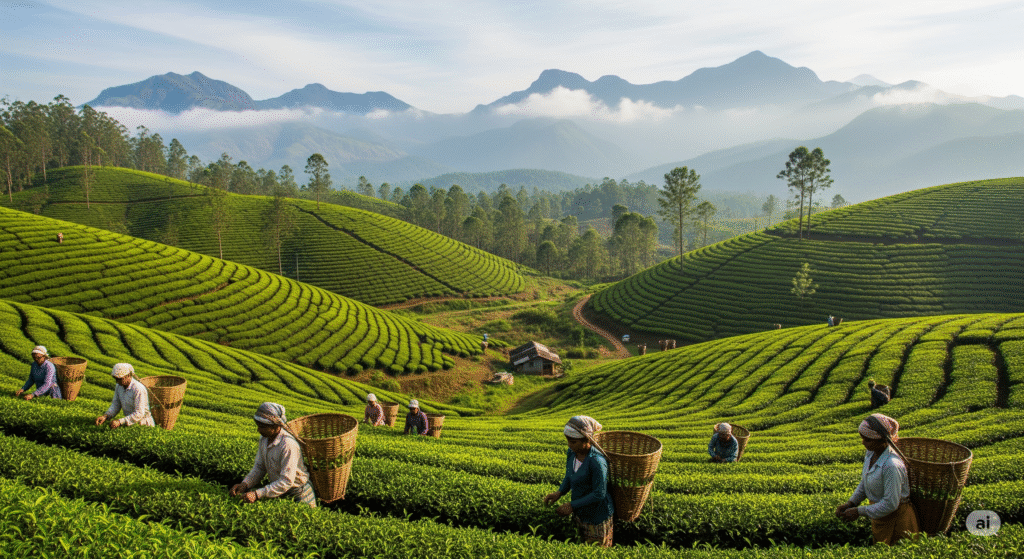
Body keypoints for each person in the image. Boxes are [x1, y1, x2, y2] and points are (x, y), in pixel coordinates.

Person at [835, 413, 919, 546]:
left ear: (882, 440)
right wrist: (851, 503)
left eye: (867, 439)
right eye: (862, 438)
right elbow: (865, 482)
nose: (863, 442)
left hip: (898, 522)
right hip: (880, 517)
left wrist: (859, 511)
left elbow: (891, 504)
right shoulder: (871, 453)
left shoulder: (891, 466)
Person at [543, 416, 615, 547]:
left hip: (597, 516)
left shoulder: (597, 462)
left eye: (573, 442)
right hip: (580, 511)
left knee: (596, 551)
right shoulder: (571, 453)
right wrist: (559, 493)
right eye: (568, 441)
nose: (569, 445)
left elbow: (599, 494)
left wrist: (572, 505)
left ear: (587, 440)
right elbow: (569, 476)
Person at [230, 402, 316, 507]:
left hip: (298, 492)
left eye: (263, 427)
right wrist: (245, 484)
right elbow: (260, 467)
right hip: (279, 490)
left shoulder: (288, 445)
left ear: (275, 426)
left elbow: (286, 481)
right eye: (258, 426)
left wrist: (257, 494)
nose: (259, 430)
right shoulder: (264, 439)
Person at [94, 363, 154, 428]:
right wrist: (106, 416)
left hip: (143, 423)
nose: (117, 381)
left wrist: (120, 421)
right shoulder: (119, 386)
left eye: (120, 379)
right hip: (129, 422)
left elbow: (139, 413)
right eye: (116, 379)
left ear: (128, 375)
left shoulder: (138, 389)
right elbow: (116, 404)